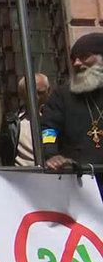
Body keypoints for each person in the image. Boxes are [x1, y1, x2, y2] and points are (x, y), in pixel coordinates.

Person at [42, 33, 103, 183]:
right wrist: (51, 154)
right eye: (73, 58)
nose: (76, 63)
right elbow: (48, 129)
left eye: (84, 57)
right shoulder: (62, 95)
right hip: (79, 181)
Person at [1, 74, 51, 166]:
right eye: (31, 94)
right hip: (22, 176)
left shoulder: (57, 119)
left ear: (49, 91)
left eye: (40, 93)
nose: (36, 98)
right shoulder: (12, 123)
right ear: (22, 95)